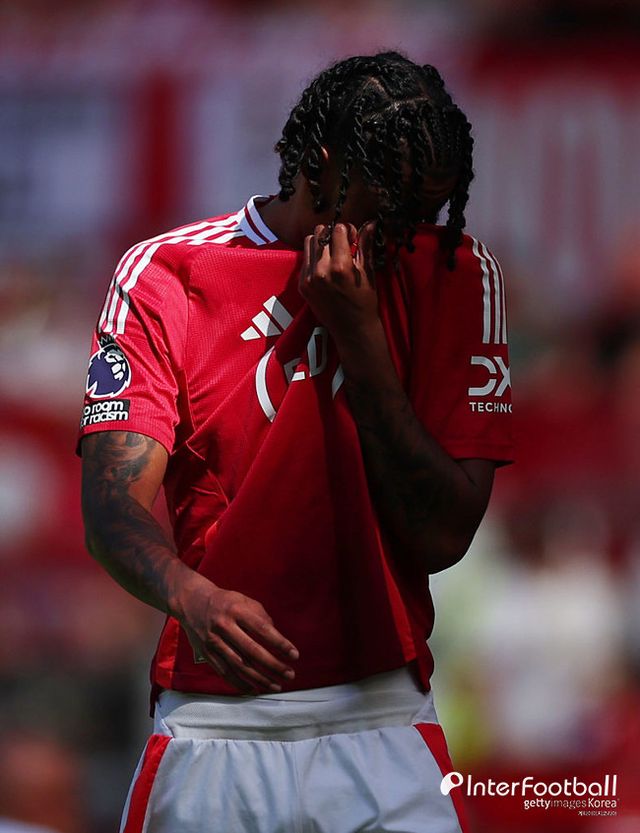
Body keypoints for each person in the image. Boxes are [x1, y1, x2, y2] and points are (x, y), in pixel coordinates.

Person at [79, 52, 513, 833]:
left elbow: (444, 535)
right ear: (319, 165)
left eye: (428, 206)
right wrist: (191, 594)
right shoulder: (165, 273)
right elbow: (111, 506)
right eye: (390, 201)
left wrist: (361, 337)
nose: (410, 228)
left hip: (383, 720)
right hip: (213, 725)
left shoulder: (454, 270)